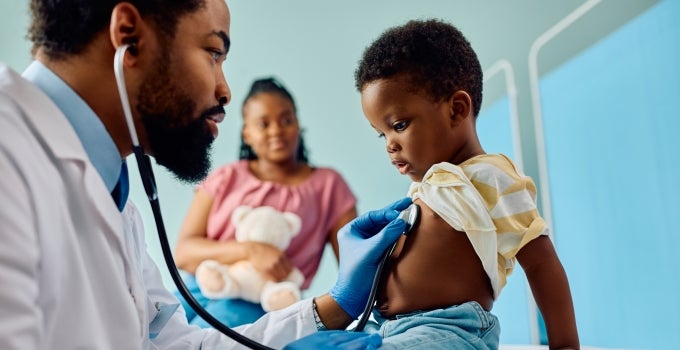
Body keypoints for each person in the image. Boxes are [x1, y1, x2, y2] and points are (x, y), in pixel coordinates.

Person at [0, 0, 409, 349]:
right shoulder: (10, 154)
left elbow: (182, 344)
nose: (224, 89)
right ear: (129, 35)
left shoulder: (117, 201)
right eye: (214, 53)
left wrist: (333, 306)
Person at [351, 19, 580, 349]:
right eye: (381, 134)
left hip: (448, 329)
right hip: (384, 328)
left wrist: (566, 344)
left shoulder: (490, 177)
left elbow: (541, 261)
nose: (389, 144)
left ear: (456, 110)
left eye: (399, 125)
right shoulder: (424, 189)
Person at [173, 77, 357, 328]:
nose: (276, 130)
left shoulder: (329, 186)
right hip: (200, 287)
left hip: (267, 302)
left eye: (286, 120)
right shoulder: (225, 178)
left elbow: (354, 267)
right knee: (151, 333)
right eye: (263, 124)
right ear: (246, 133)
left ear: (298, 125)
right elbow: (184, 253)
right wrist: (251, 250)